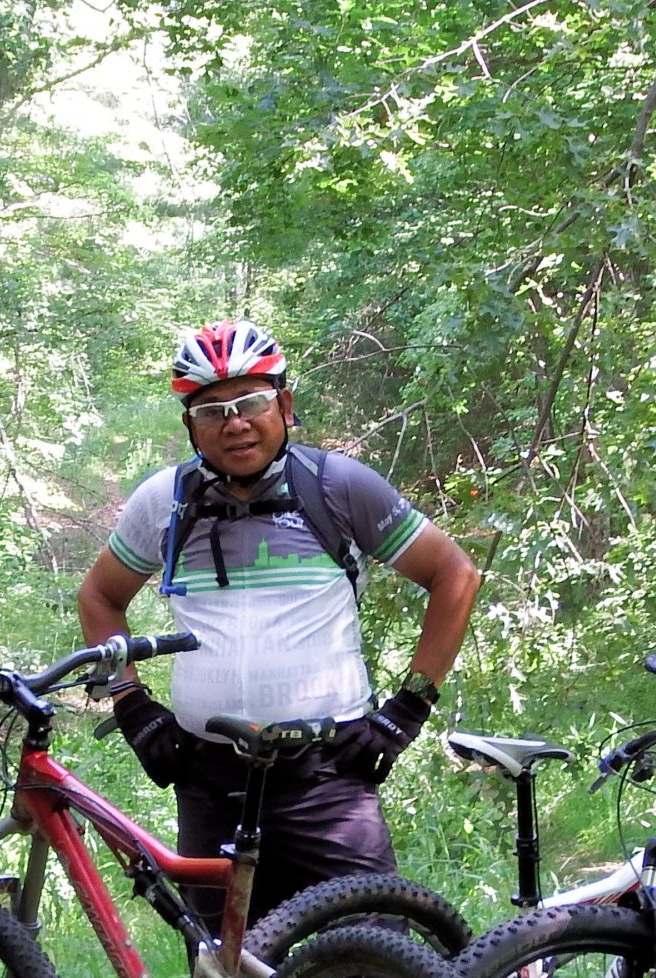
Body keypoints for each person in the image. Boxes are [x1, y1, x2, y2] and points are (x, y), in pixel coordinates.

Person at [74, 321, 482, 938]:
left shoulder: (337, 486)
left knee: (378, 966)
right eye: (212, 410)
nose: (234, 423)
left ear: (284, 406)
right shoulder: (165, 502)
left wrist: (409, 707)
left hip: (327, 775)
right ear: (190, 426)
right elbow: (100, 597)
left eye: (251, 403)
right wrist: (131, 703)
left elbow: (454, 575)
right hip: (210, 781)